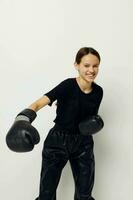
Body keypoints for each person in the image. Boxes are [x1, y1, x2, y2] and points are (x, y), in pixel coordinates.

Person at [7, 47, 103, 200]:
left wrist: (91, 126)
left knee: (85, 194)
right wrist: (22, 119)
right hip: (57, 142)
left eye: (95, 66)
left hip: (83, 143)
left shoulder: (98, 91)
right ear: (77, 65)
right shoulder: (67, 86)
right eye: (86, 65)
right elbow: (38, 103)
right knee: (46, 194)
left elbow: (88, 119)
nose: (91, 70)